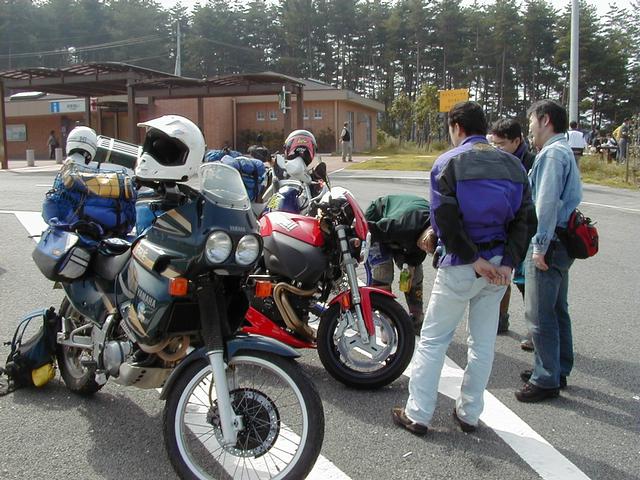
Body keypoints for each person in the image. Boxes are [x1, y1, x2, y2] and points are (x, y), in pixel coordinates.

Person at [391, 101, 534, 434]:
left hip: (461, 264)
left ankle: (418, 414)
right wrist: (508, 262)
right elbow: (526, 219)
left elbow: (445, 220)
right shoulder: (513, 165)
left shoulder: (448, 163)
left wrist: (473, 259)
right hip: (498, 266)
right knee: (482, 343)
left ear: (456, 127)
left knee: (434, 340)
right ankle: (469, 414)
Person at [515, 99, 582, 403]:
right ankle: (557, 368)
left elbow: (546, 204)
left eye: (531, 121)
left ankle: (546, 379)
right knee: (556, 310)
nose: (529, 128)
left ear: (544, 120)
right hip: (562, 241)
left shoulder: (552, 154)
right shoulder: (563, 150)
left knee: (540, 314)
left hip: (550, 242)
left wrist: (539, 247)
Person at [489, 118, 537, 349]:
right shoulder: (496, 161)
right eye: (493, 144)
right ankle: (500, 318)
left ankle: (535, 329)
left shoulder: (532, 163)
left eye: (501, 144)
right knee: (502, 274)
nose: (496, 148)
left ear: (517, 141)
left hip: (526, 228)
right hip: (504, 227)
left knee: (525, 281)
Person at [365, 194, 433, 334]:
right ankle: (386, 321)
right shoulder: (400, 226)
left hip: (408, 233)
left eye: (428, 250)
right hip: (378, 223)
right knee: (383, 272)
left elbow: (420, 251)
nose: (426, 249)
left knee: (413, 276)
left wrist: (410, 265)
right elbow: (369, 229)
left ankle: (416, 317)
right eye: (425, 244)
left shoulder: (438, 230)